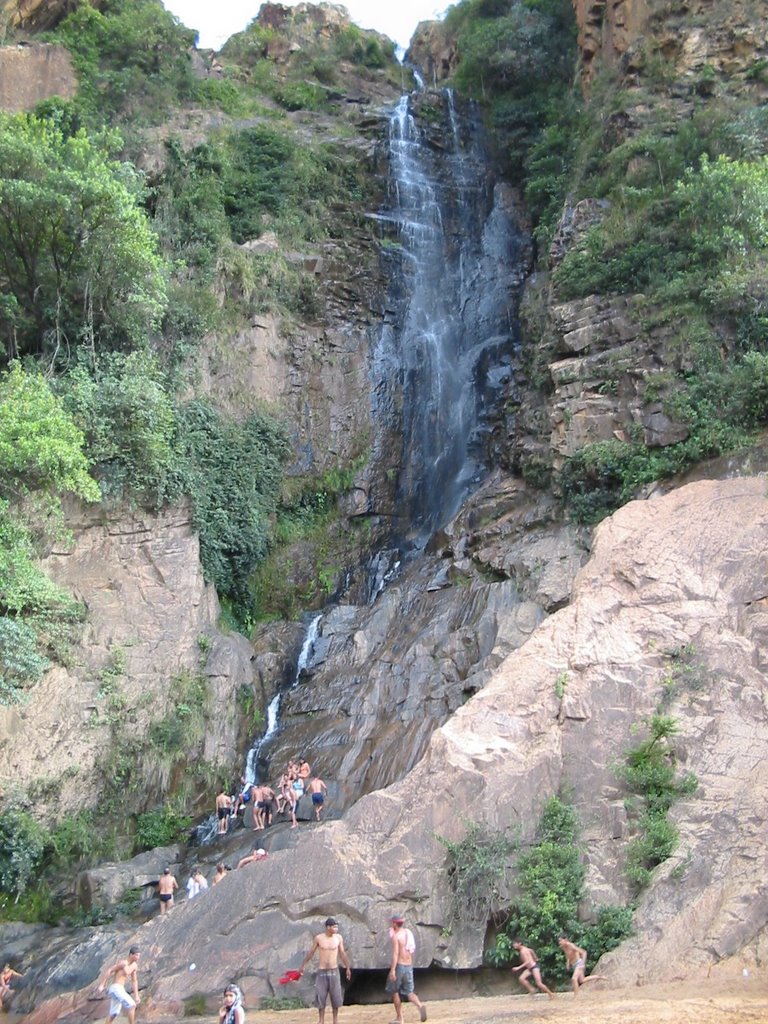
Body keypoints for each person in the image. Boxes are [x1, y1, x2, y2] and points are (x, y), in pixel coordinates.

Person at [299, 917, 351, 1024]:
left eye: (337, 927)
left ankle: (335, 1021)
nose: (336, 929)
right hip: (322, 971)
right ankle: (321, 1020)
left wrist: (347, 968)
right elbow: (311, 952)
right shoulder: (319, 938)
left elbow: (343, 954)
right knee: (321, 996)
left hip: (334, 970)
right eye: (334, 927)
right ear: (328, 927)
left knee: (335, 996)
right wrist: (303, 965)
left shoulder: (338, 938)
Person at [387, 914, 426, 1023]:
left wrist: (393, 970)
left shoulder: (396, 936)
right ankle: (419, 1005)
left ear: (395, 923)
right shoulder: (408, 933)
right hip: (409, 966)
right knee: (409, 992)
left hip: (399, 966)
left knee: (395, 992)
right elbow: (410, 950)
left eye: (392, 922)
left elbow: (395, 954)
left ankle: (400, 1018)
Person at [96, 945, 141, 1024]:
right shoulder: (123, 963)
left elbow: (134, 981)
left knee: (114, 1013)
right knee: (132, 1005)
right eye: (137, 955)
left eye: (139, 955)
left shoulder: (134, 966)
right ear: (131, 955)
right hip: (116, 987)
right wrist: (102, 985)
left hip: (120, 989)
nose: (138, 957)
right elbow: (110, 970)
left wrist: (136, 995)